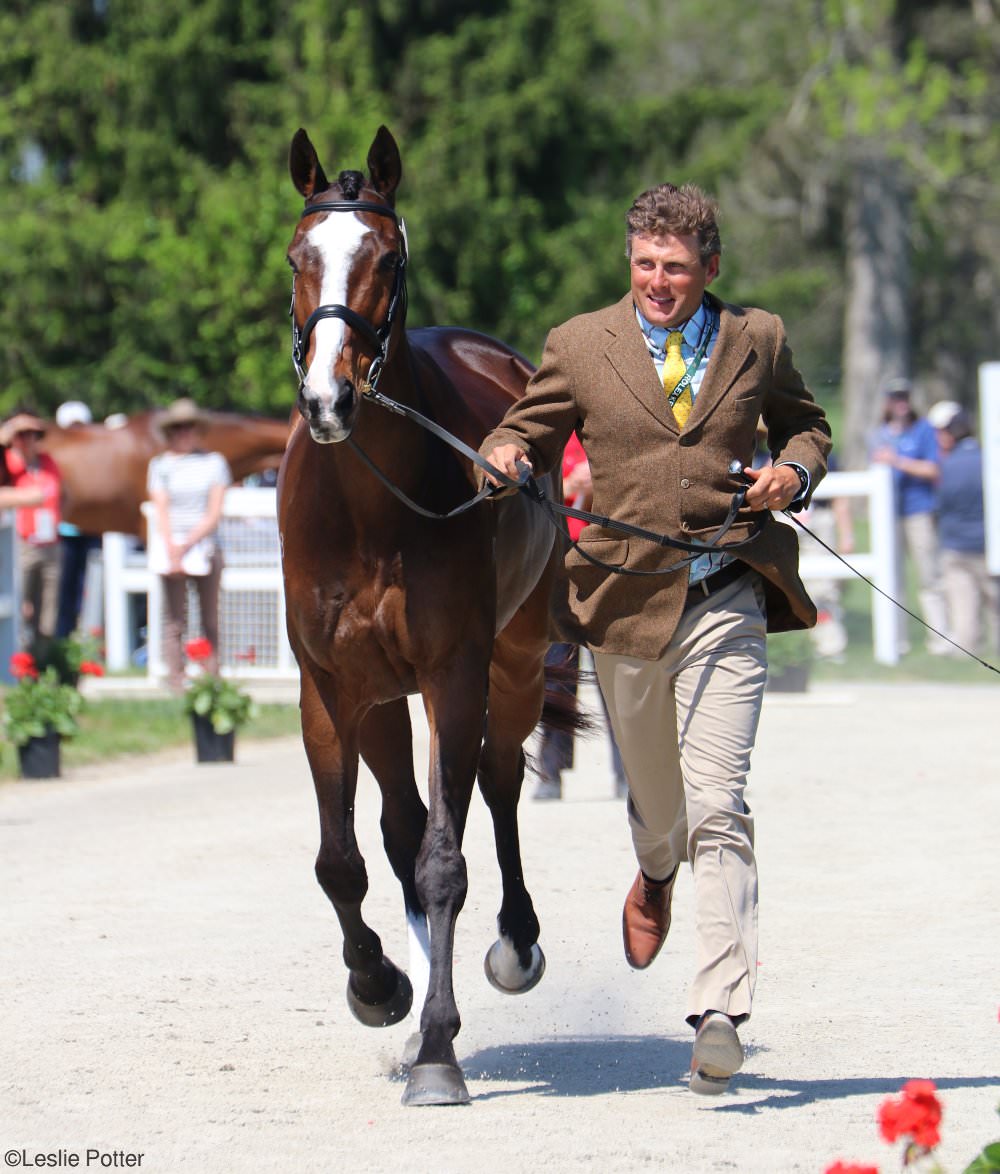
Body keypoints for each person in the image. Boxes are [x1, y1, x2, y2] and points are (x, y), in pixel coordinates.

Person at [480, 182, 830, 1094]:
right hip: (624, 605)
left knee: (721, 801)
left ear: (710, 266)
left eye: (676, 267)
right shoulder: (579, 342)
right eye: (645, 266)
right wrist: (508, 451)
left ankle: (721, 1009)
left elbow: (808, 425)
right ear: (629, 263)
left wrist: (793, 472)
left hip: (726, 593)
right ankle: (653, 869)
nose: (659, 282)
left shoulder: (758, 336)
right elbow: (528, 423)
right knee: (662, 807)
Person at [533, 433, 627, 801]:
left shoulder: (609, 431)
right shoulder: (555, 436)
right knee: (556, 677)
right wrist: (571, 486)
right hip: (562, 570)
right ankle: (551, 770)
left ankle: (628, 771)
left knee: (618, 678)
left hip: (607, 570)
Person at [146, 398, 231, 693]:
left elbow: (214, 512)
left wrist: (189, 542)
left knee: (209, 616)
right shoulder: (160, 465)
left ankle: (212, 676)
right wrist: (173, 546)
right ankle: (176, 679)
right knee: (174, 620)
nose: (184, 433)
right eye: (179, 428)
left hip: (204, 544)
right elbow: (161, 509)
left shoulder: (214, 462)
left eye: (189, 428)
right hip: (172, 544)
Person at [870, 380, 950, 655]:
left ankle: (940, 638)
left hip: (918, 511)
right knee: (892, 576)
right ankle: (896, 640)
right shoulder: (879, 434)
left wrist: (898, 462)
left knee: (930, 576)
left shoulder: (923, 430)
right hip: (888, 514)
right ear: (888, 401)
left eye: (905, 396)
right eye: (896, 397)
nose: (901, 402)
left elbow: (934, 469)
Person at [927, 401, 998, 655]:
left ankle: (969, 657)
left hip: (954, 545)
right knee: (995, 606)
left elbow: (940, 505)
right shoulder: (987, 461)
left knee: (963, 610)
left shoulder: (945, 467)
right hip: (987, 545)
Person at [1, 410, 63, 651]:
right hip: (21, 542)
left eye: (32, 434)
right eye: (22, 434)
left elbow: (62, 494)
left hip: (50, 542)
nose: (27, 439)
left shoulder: (47, 463)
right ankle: (18, 658)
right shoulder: (8, 464)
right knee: (21, 604)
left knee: (48, 608)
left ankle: (42, 660)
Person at [54, 400, 102, 639]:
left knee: (92, 590)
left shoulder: (97, 456)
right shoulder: (54, 457)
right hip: (64, 532)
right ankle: (63, 639)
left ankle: (91, 640)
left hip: (91, 531)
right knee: (64, 590)